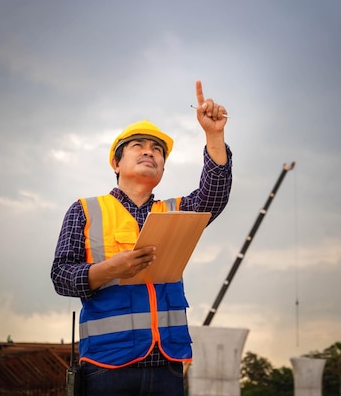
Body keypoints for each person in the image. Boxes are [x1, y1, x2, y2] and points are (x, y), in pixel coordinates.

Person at [51, 80, 232, 396]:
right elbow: (61, 277)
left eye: (158, 150)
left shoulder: (176, 211)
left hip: (168, 365)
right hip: (108, 368)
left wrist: (214, 136)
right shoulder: (85, 211)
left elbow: (214, 195)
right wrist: (112, 268)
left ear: (162, 168)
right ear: (116, 163)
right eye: (139, 146)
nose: (150, 152)